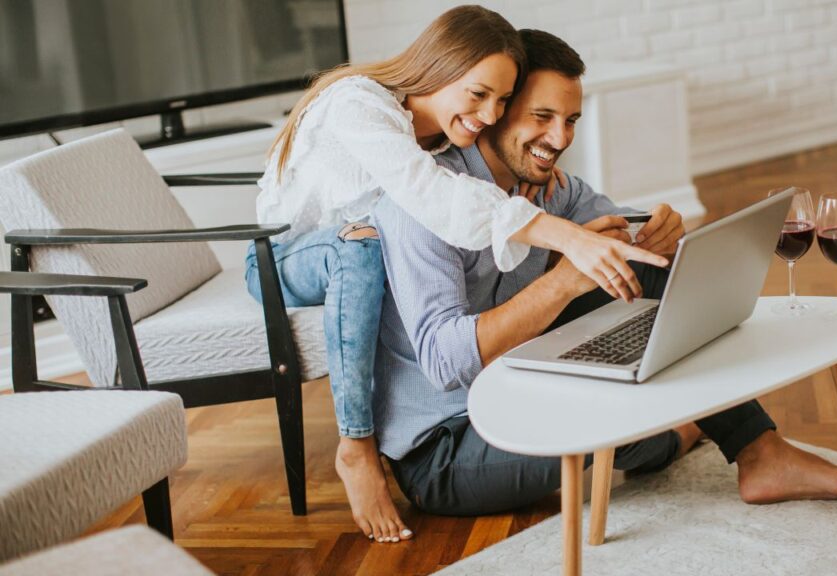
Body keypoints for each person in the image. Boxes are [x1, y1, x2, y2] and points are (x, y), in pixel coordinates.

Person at [370, 29, 837, 516]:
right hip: (448, 444)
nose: (559, 137)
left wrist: (661, 233)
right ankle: (680, 432)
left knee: (648, 274)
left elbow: (632, 240)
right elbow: (444, 362)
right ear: (499, 111)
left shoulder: (550, 188)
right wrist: (565, 278)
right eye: (542, 116)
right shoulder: (426, 202)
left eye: (570, 120)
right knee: (620, 421)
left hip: (519, 382)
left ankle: (760, 453)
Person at [246, 5, 667, 544]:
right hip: (283, 256)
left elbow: (469, 189)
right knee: (362, 252)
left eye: (500, 101)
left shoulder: (447, 140)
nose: (490, 115)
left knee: (640, 287)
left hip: (372, 253)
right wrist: (560, 238)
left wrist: (642, 227)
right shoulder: (360, 106)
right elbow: (428, 193)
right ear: (440, 67)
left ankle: (704, 430)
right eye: (479, 95)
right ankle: (356, 446)